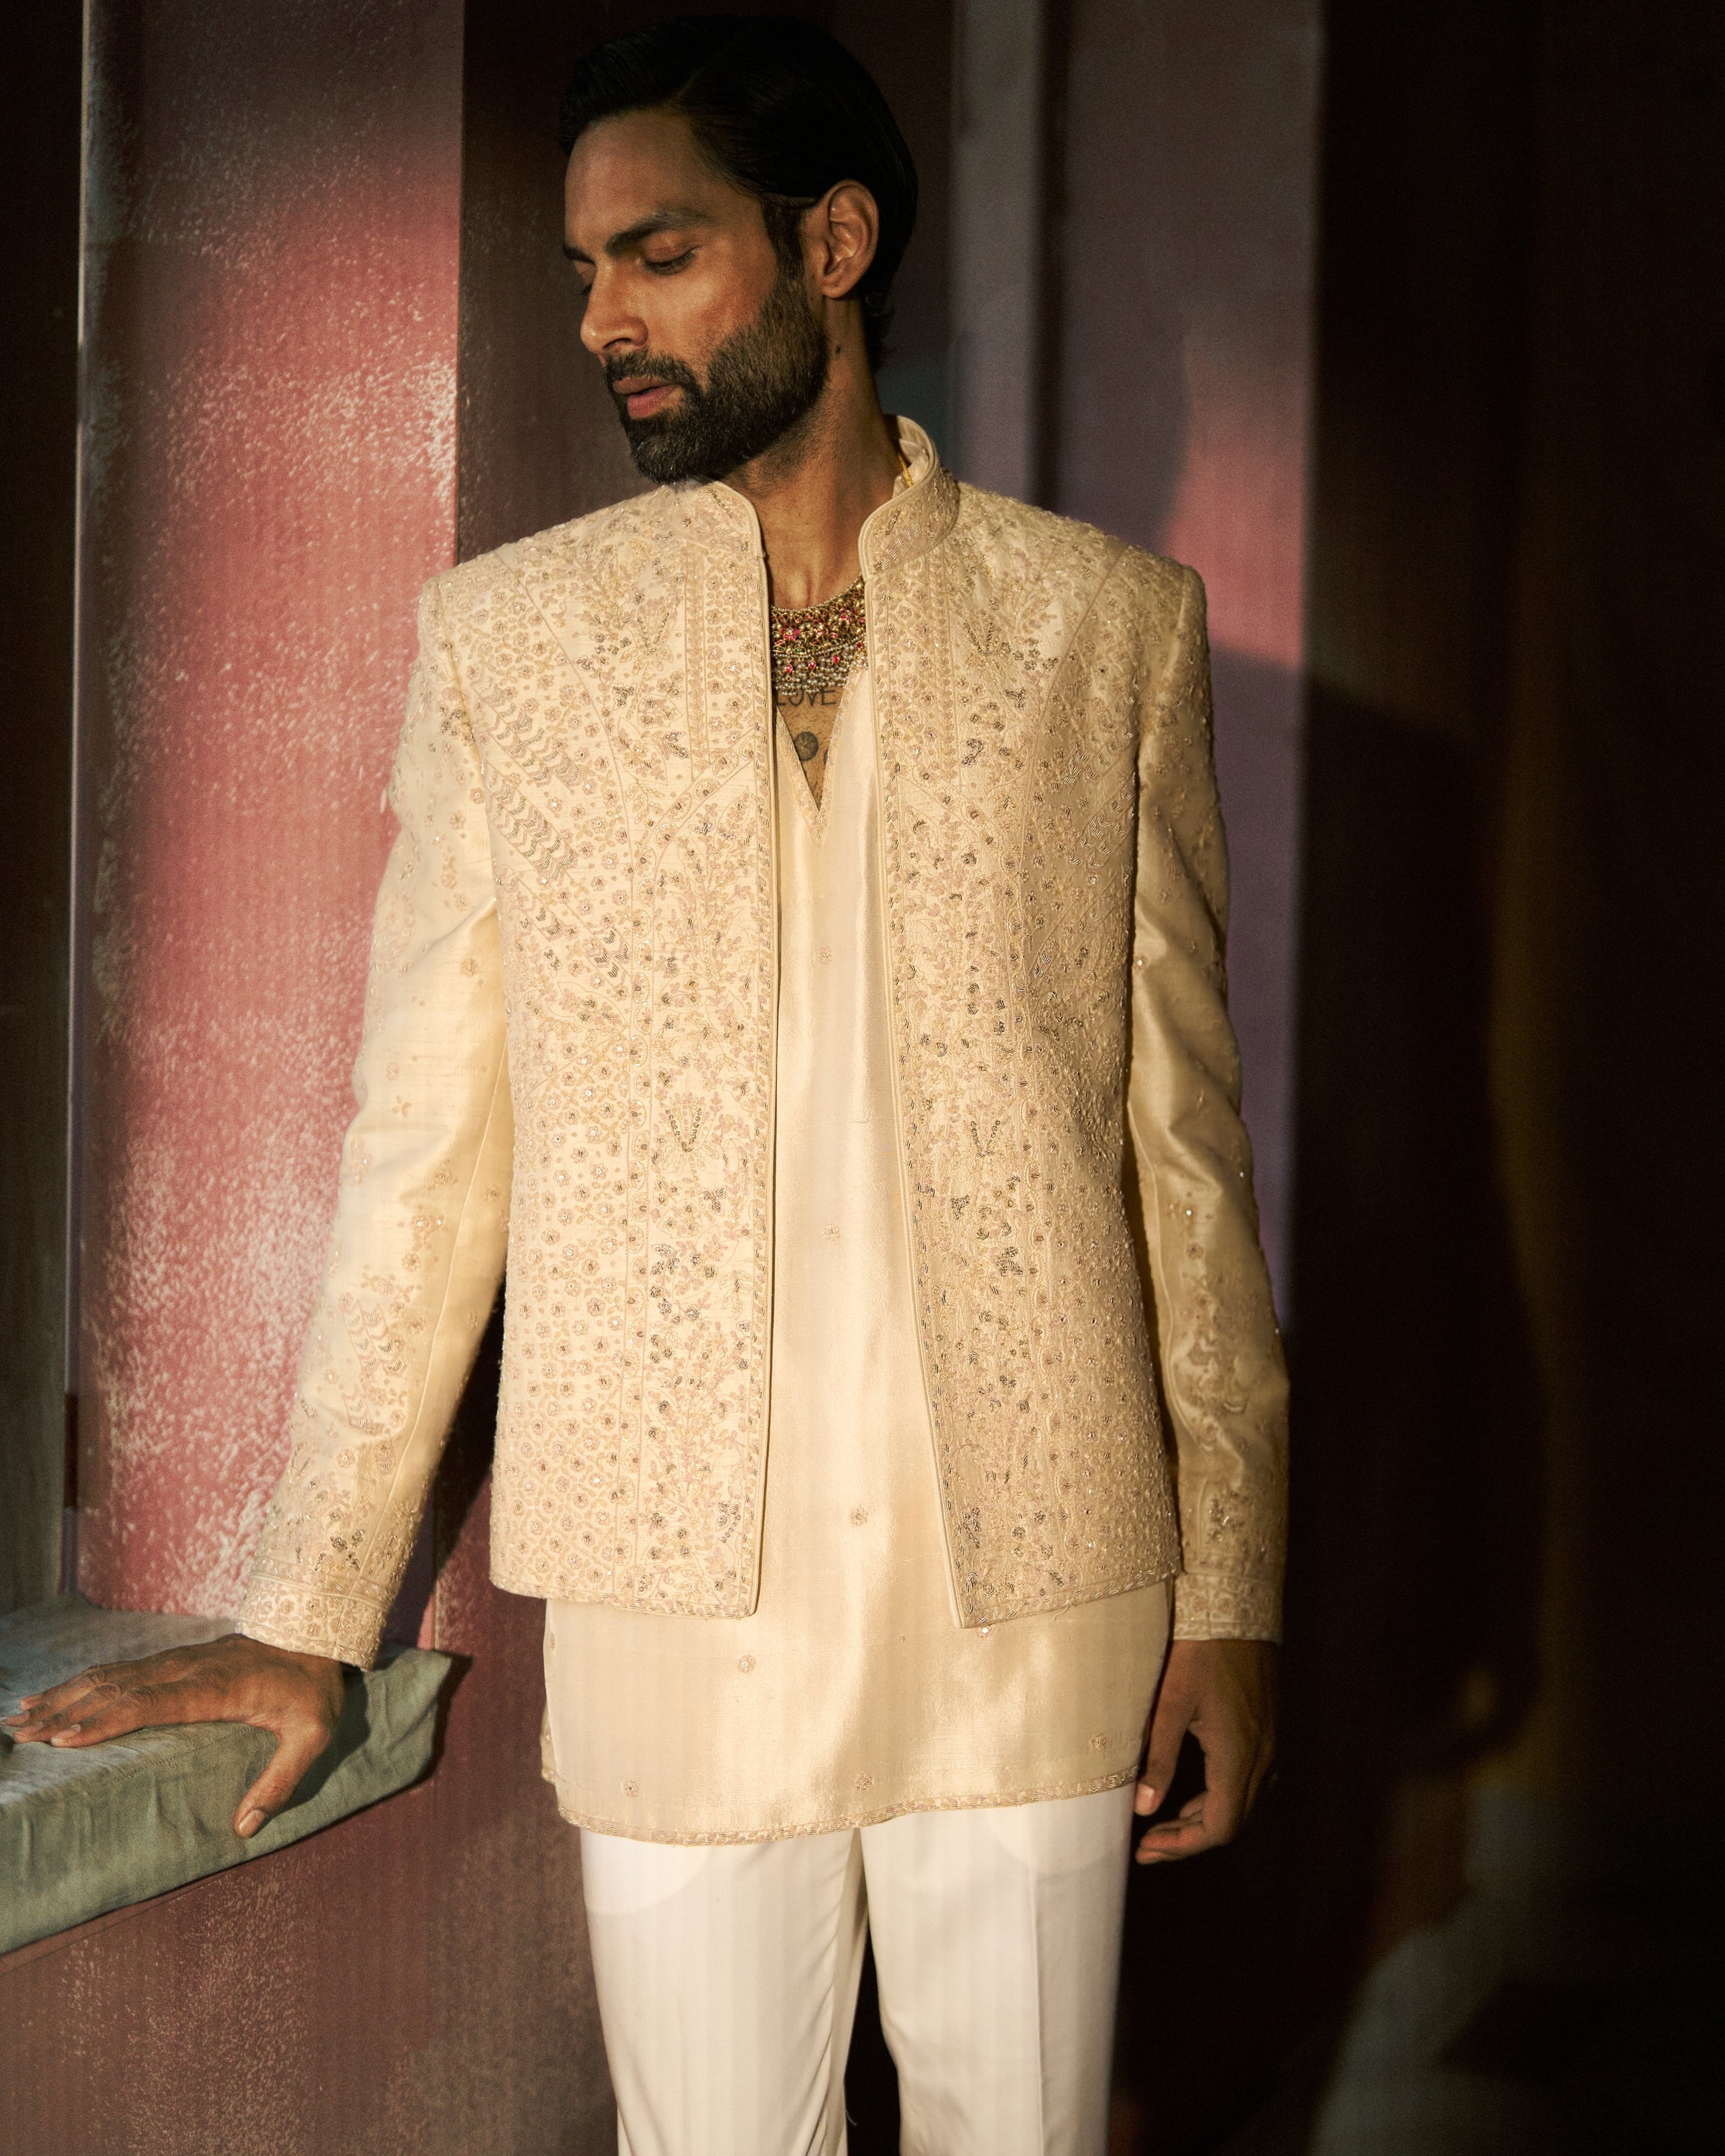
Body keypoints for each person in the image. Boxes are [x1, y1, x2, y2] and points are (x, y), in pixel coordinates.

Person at [6, 18, 1287, 2152]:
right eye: (583, 271)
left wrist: (1231, 1594)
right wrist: (306, 1614)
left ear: (833, 244)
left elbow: (1186, 1159)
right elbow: (426, 1162)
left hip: (1044, 1591)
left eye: (661, 255)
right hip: (683, 1610)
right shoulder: (513, 648)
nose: (603, 318)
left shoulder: (1104, 632)